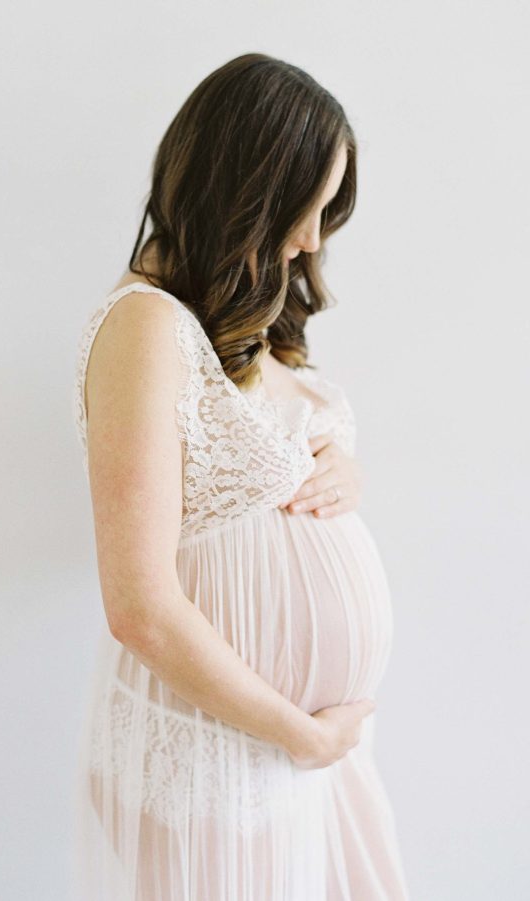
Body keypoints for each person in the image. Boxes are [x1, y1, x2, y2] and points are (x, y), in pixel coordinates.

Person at [71, 51, 410, 900]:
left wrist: (343, 473)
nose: (309, 239)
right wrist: (296, 731)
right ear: (244, 185)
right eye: (306, 208)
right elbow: (137, 605)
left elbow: (265, 452)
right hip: (224, 749)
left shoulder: (239, 313)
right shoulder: (145, 329)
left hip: (302, 757)